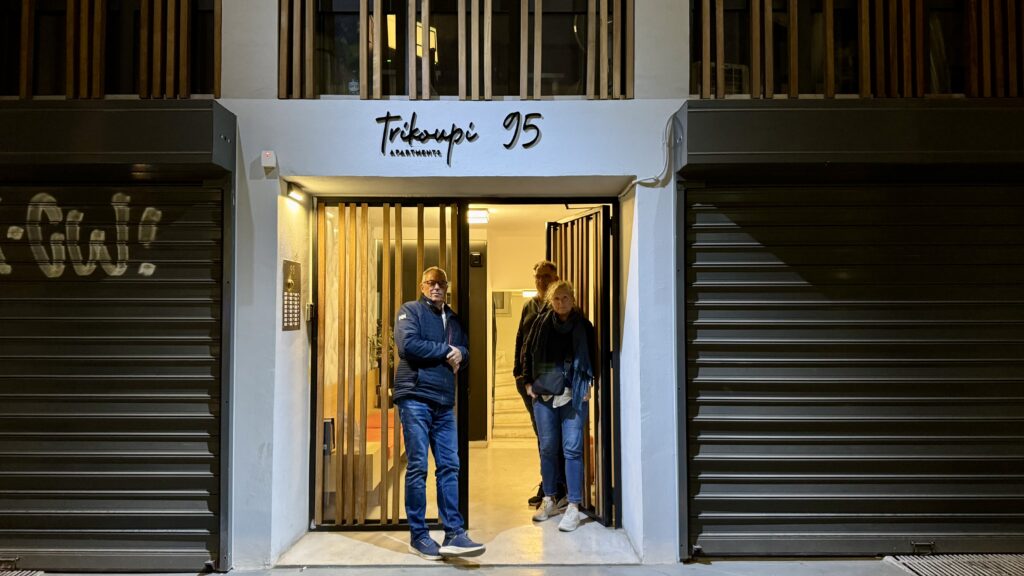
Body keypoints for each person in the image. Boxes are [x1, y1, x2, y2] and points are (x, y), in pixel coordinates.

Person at [394, 266, 485, 560]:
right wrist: (447, 351)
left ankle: (454, 533)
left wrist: (461, 353)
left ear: (447, 287)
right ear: (422, 286)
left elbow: (465, 350)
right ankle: (418, 536)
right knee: (418, 466)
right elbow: (408, 345)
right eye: (431, 283)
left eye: (441, 283)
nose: (436, 287)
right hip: (415, 398)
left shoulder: (453, 319)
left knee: (449, 466)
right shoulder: (410, 311)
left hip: (444, 403)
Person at [521, 280, 596, 532]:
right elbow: (527, 352)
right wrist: (528, 383)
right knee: (548, 448)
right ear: (550, 301)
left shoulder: (584, 326)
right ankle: (550, 499)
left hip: (574, 395)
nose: (561, 302)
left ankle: (573, 505)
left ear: (573, 299)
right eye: (556, 298)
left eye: (565, 298)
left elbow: (592, 357)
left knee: (572, 449)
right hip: (544, 394)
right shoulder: (539, 324)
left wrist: (588, 384)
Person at [513, 260, 566, 508]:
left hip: (552, 380)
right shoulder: (529, 306)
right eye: (538, 277)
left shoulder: (559, 305)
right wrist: (518, 373)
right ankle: (549, 483)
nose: (541, 281)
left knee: (555, 436)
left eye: (546, 276)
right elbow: (520, 338)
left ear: (555, 278)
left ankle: (558, 486)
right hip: (528, 381)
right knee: (542, 435)